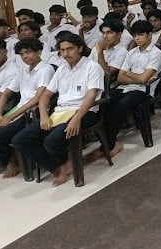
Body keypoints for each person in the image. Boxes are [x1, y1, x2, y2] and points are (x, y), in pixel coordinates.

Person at [12, 33, 104, 186]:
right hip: (60, 113)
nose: (66, 53)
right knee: (20, 140)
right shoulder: (61, 69)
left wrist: (76, 118)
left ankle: (65, 163)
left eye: (70, 49)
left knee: (51, 141)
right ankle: (58, 166)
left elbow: (91, 97)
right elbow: (45, 96)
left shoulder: (92, 67)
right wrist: (43, 116)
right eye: (62, 50)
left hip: (85, 112)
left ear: (80, 48)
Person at [0, 38, 53, 177]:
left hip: (31, 113)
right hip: (16, 111)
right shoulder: (23, 71)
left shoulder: (45, 69)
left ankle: (13, 161)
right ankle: (10, 160)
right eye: (22, 54)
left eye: (28, 52)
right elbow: (5, 94)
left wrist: (10, 117)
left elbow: (36, 99)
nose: (25, 56)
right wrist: (0, 116)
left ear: (39, 52)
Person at [87, 20, 161, 162]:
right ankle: (108, 142)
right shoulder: (132, 53)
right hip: (125, 88)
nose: (137, 39)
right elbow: (121, 78)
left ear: (150, 35)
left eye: (141, 35)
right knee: (102, 103)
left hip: (143, 91)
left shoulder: (156, 54)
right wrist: (137, 77)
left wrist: (132, 75)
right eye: (135, 35)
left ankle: (108, 146)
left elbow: (144, 80)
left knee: (119, 107)